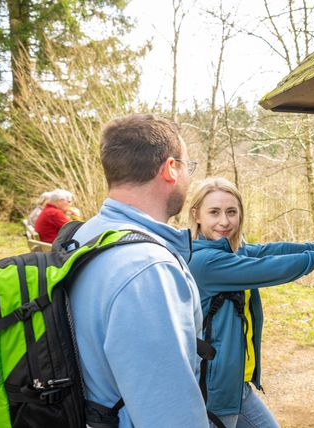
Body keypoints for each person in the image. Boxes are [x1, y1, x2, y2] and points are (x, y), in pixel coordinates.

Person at [68, 114, 209, 427]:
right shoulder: (147, 269)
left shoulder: (85, 235)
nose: (188, 176)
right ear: (171, 169)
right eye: (188, 166)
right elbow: (169, 417)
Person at [186, 176, 314, 428]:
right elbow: (269, 267)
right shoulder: (205, 261)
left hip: (235, 385)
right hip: (214, 390)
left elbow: (268, 251)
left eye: (231, 212)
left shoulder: (229, 251)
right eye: (214, 212)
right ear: (197, 215)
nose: (224, 221)